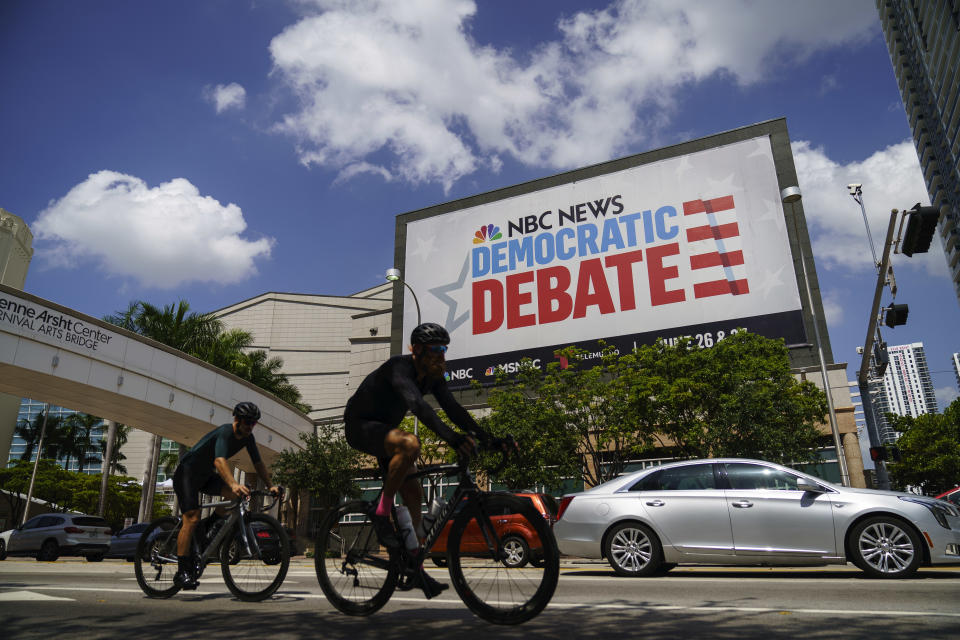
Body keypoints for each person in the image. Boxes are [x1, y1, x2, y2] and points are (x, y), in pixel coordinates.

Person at [344, 322, 500, 595]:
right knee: (410, 443)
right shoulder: (399, 368)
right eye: (436, 350)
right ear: (416, 350)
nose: (442, 356)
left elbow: (453, 409)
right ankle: (380, 512)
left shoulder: (433, 377)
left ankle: (414, 567)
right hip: (360, 426)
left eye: (444, 350)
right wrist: (452, 439)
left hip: (386, 434)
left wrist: (490, 438)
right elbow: (417, 406)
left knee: (414, 493)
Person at [171, 401, 280, 590]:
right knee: (192, 517)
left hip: (205, 476)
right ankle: (181, 573)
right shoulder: (225, 431)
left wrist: (271, 486)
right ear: (236, 419)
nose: (250, 426)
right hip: (187, 473)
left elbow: (258, 464)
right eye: (247, 422)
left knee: (234, 495)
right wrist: (234, 483)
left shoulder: (248, 438)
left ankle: (210, 525)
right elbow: (219, 461)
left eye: (253, 423)